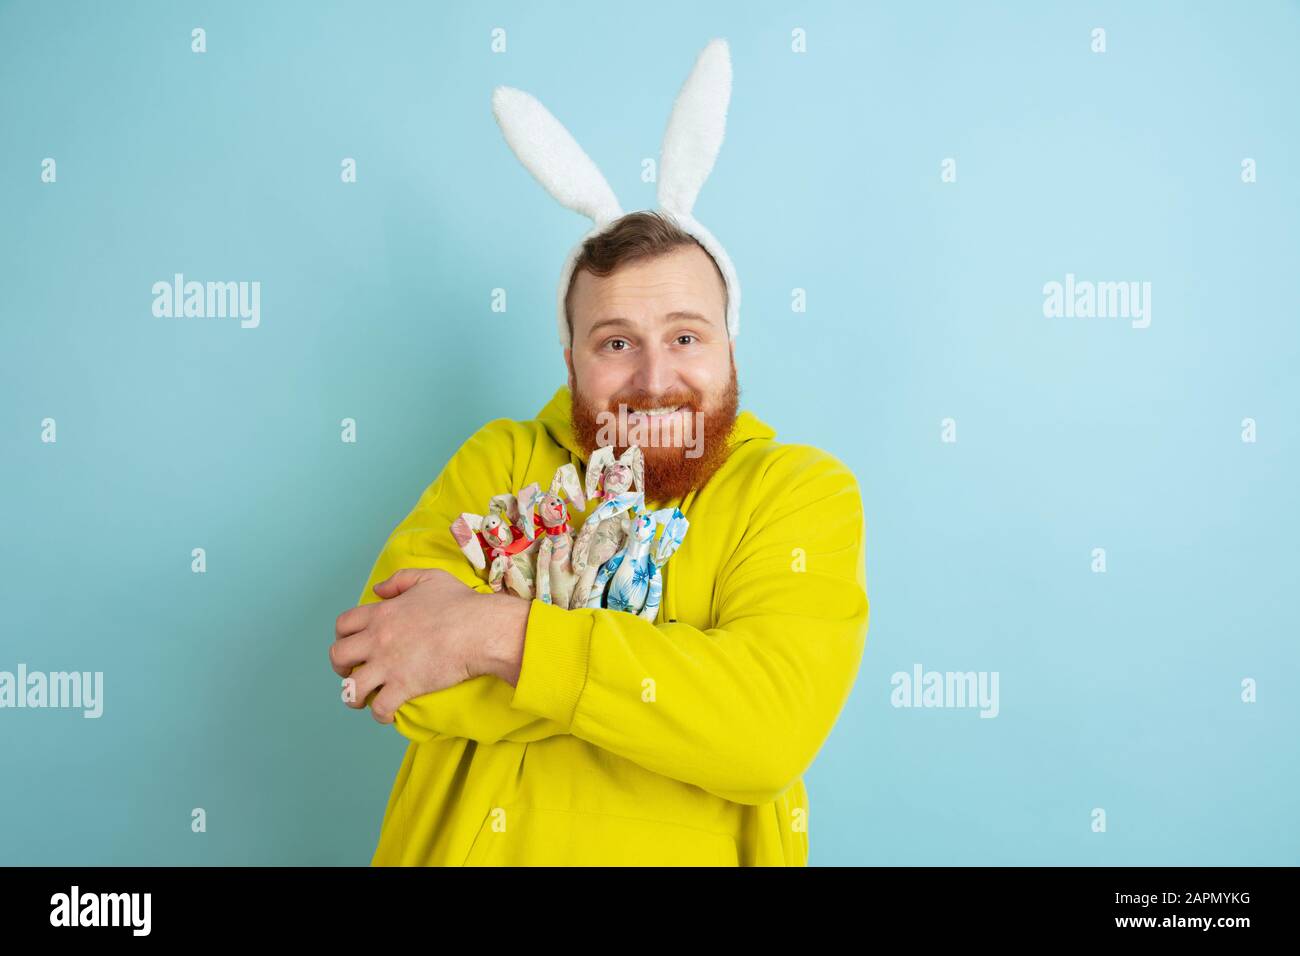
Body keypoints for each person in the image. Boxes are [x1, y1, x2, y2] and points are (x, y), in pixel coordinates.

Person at [330, 39, 869, 865]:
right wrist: (668, 681)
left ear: (729, 349)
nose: (654, 380)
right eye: (616, 342)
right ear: (572, 360)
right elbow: (396, 674)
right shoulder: (501, 461)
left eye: (685, 337)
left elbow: (764, 732)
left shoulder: (800, 493)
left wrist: (494, 632)